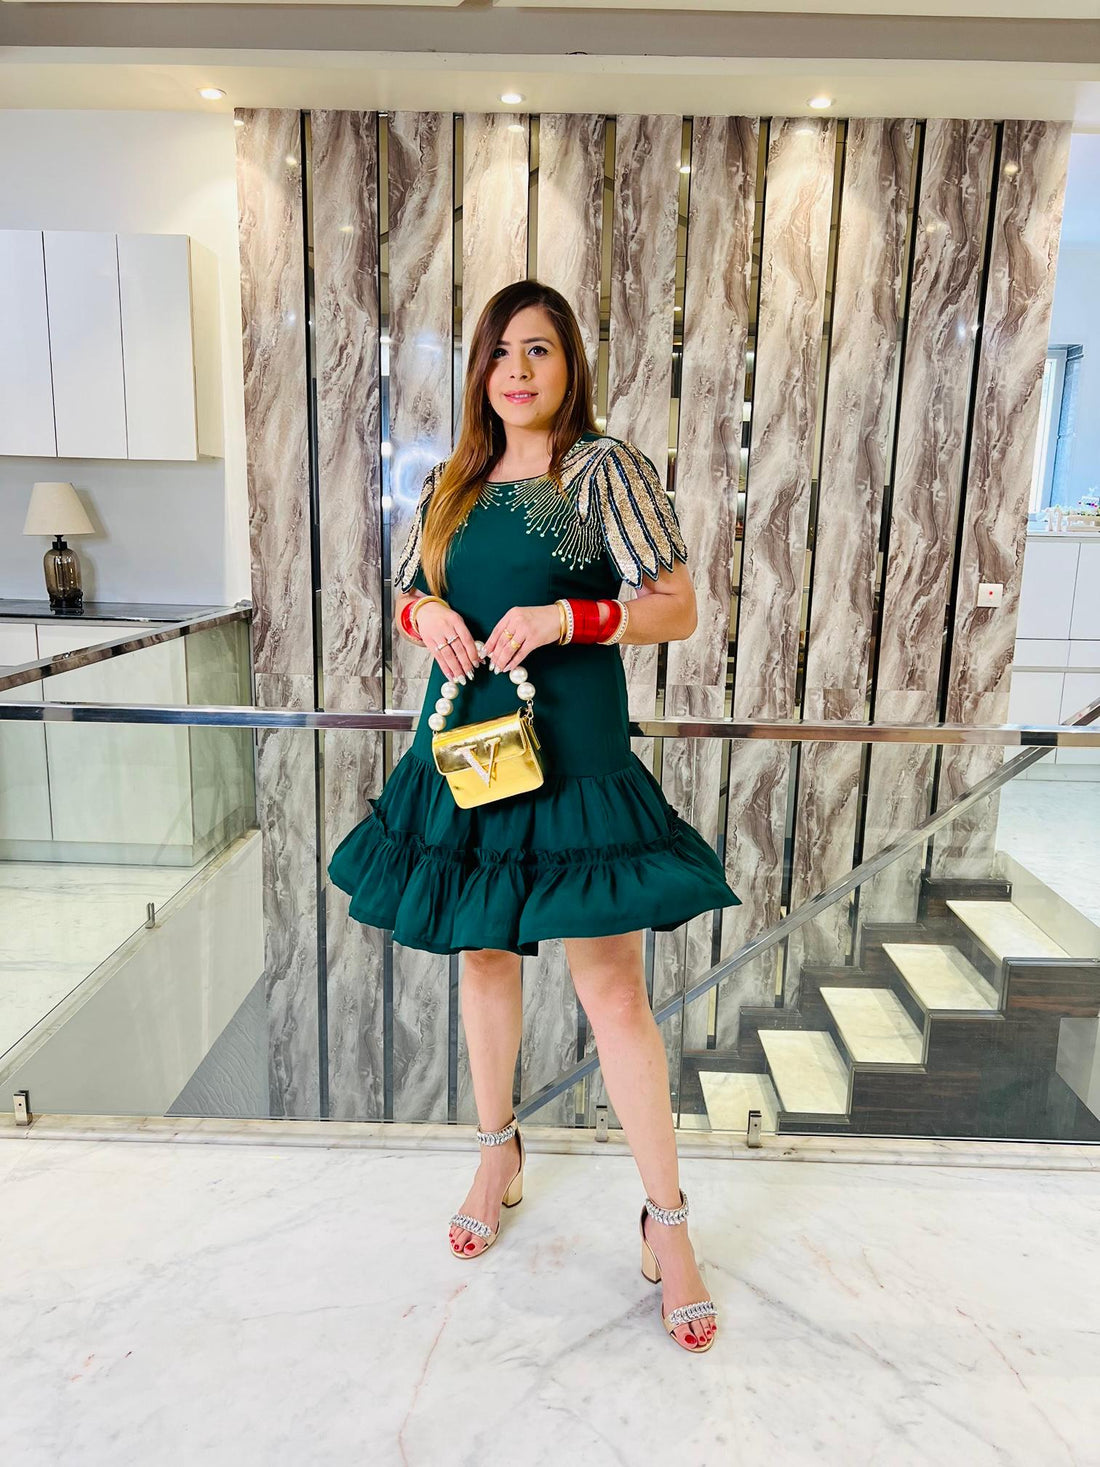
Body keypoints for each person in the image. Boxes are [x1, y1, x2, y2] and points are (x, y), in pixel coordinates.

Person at [328, 278, 742, 1353]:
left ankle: (667, 1222)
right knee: (483, 959)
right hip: (470, 753)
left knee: (613, 992)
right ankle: (496, 1151)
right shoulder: (453, 481)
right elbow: (406, 589)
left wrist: (567, 617)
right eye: (500, 352)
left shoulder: (600, 470)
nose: (516, 370)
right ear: (479, 369)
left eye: (539, 350)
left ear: (568, 366)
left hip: (576, 763)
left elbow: (677, 607)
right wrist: (425, 617)